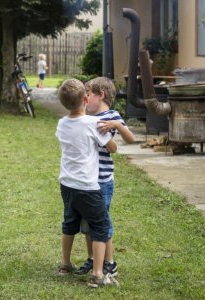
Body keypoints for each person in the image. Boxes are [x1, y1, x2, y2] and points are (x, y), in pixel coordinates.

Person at [55, 78, 118, 288]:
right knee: (100, 226)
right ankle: (98, 273)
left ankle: (65, 264)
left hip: (66, 184)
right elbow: (112, 148)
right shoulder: (93, 123)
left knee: (69, 223)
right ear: (85, 98)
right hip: (88, 187)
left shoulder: (61, 123)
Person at [73, 77, 135, 278]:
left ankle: (110, 263)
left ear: (101, 95)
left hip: (103, 180)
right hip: (86, 178)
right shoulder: (86, 116)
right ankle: (93, 258)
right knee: (87, 221)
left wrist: (116, 124)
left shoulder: (112, 116)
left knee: (101, 221)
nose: (85, 99)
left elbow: (130, 138)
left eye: (88, 95)